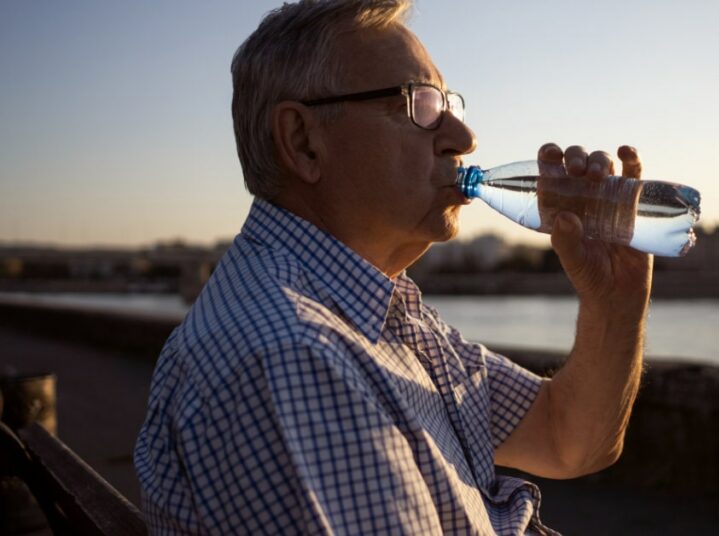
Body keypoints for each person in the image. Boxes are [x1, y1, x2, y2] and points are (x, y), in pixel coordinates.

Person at [133, 1, 652, 534]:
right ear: (303, 142)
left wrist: (615, 303)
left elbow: (568, 440)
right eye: (421, 105)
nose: (465, 138)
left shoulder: (373, 308)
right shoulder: (293, 358)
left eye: (448, 102)